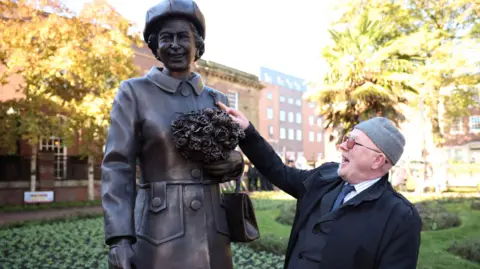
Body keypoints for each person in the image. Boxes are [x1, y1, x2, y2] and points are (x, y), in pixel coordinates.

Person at [101, 1, 244, 269]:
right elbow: (117, 166)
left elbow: (231, 152)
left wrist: (235, 163)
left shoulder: (218, 99)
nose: (175, 45)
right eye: (166, 38)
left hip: (213, 234)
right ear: (155, 46)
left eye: (183, 37)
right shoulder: (133, 93)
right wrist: (119, 238)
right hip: (159, 234)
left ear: (197, 45)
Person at [217, 101, 422, 269]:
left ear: (378, 160)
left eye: (352, 142)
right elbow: (279, 171)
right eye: (345, 138)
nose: (342, 146)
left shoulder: (400, 217)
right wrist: (247, 132)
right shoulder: (324, 176)